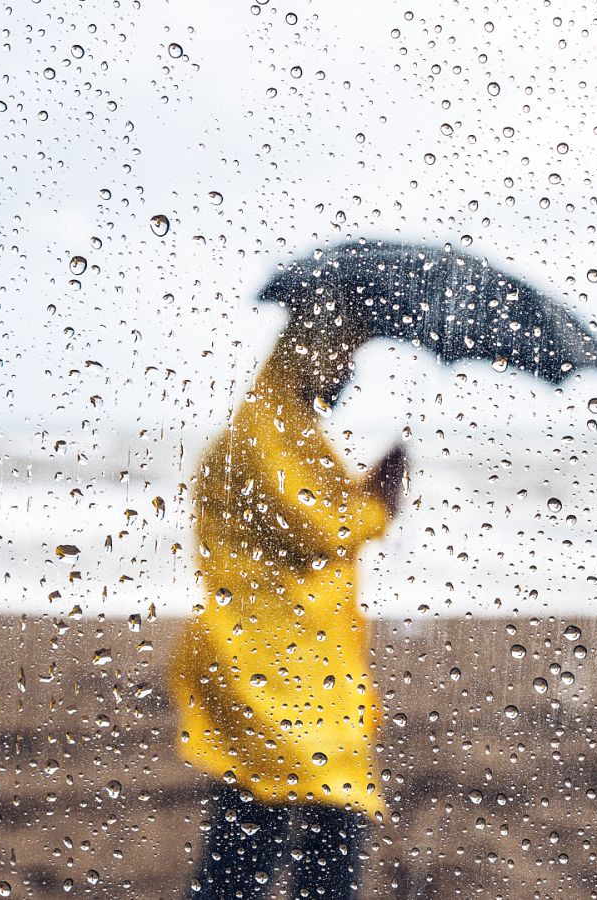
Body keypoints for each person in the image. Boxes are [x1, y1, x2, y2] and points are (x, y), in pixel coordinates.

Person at [168, 294, 406, 899]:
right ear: (310, 354)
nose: (348, 373)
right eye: (342, 355)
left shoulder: (286, 430)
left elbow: (309, 518)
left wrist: (368, 490)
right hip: (268, 666)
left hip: (302, 661)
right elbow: (315, 525)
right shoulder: (265, 431)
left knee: (271, 824)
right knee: (299, 821)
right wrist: (378, 499)